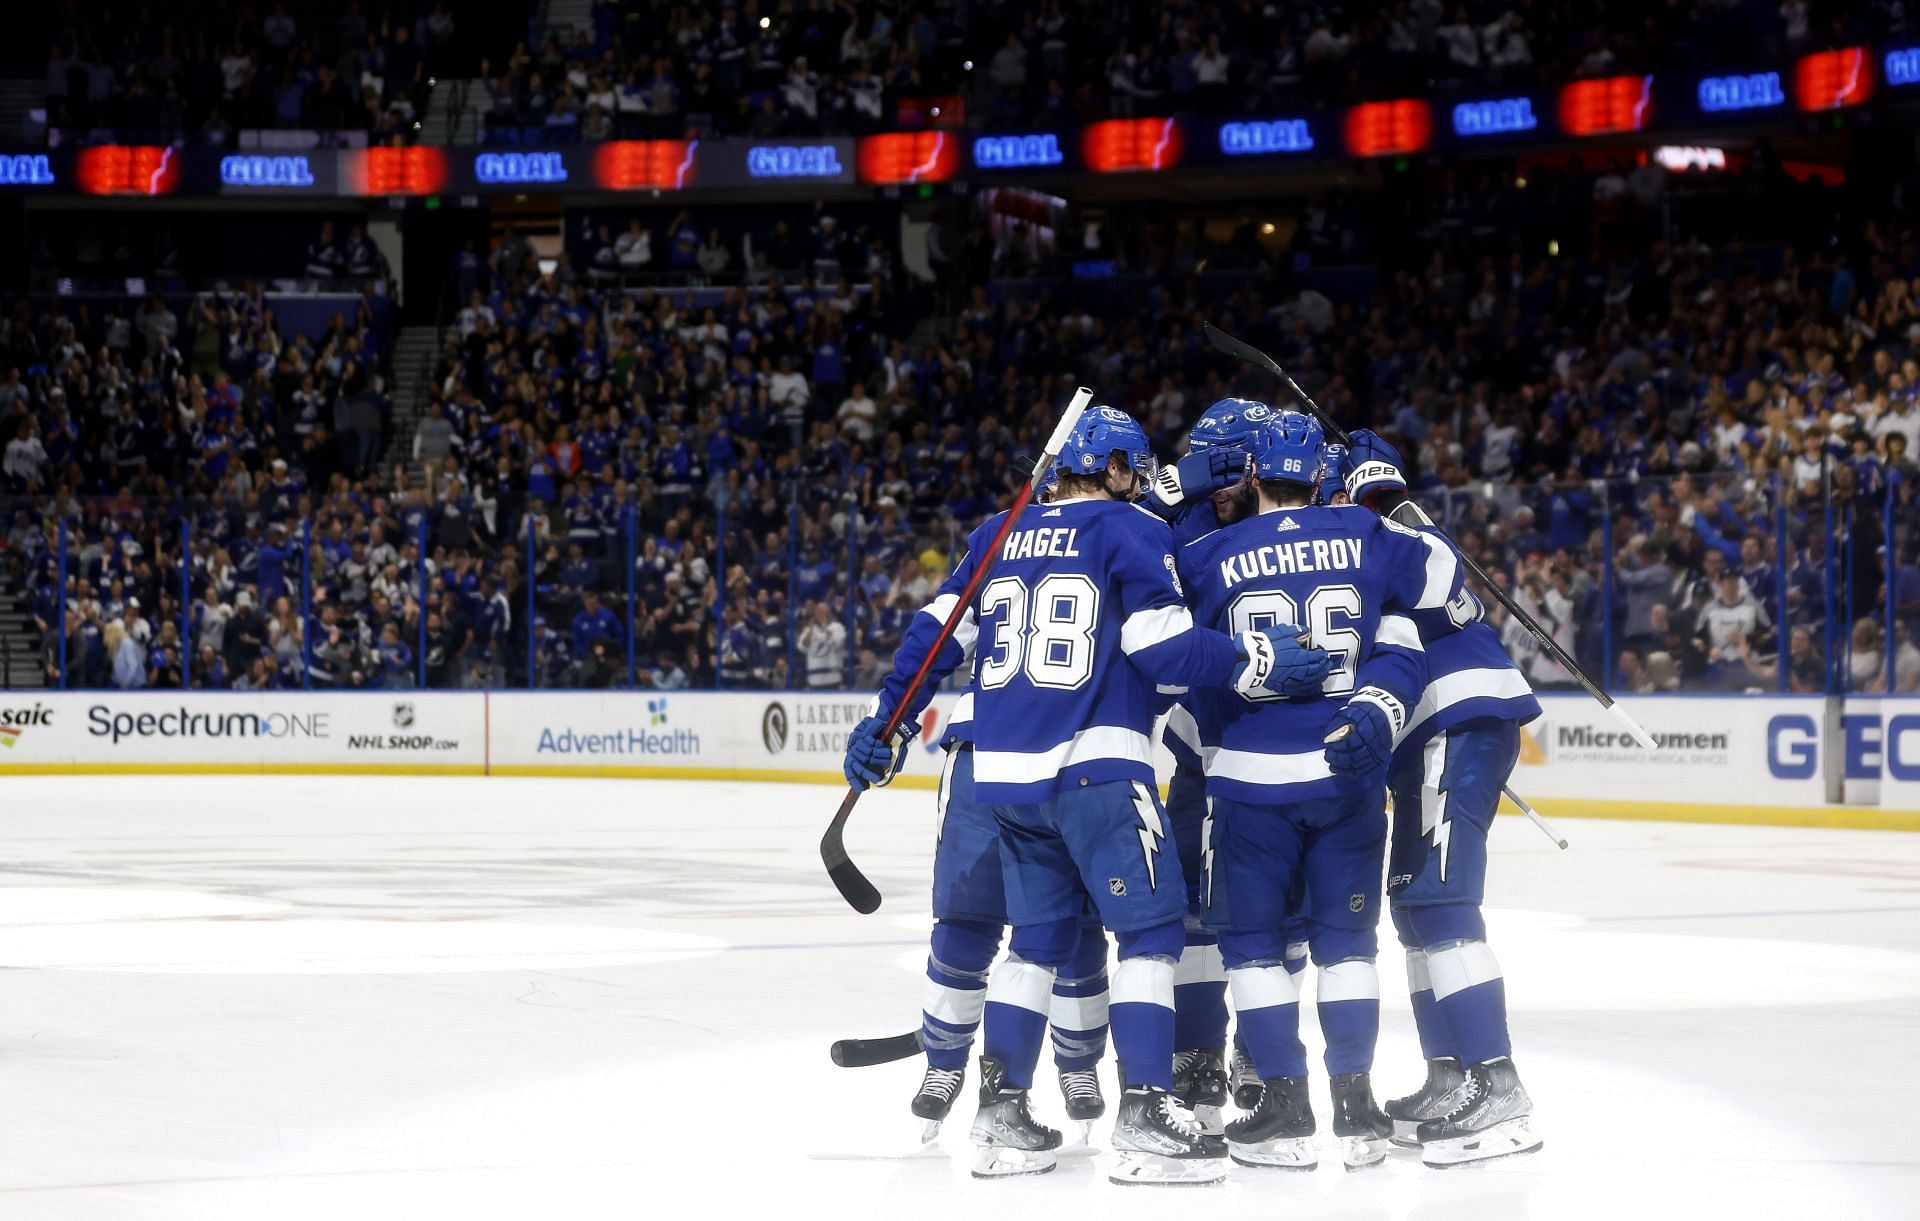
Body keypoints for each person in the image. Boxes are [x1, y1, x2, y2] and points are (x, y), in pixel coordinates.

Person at [849, 405, 1320, 1184]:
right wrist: (1256, 655)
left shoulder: (996, 533)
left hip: (1004, 781)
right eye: (1130, 471)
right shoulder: (1128, 529)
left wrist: (887, 721)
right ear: (1112, 468)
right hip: (1097, 770)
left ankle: (999, 1114)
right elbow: (1159, 645)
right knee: (1151, 937)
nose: (1136, 484)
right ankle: (1144, 1110)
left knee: (1031, 944)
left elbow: (935, 636)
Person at [1177, 410, 1465, 1172]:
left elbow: (1165, 645)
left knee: (1251, 949)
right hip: (1348, 777)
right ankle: (1356, 1105)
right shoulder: (1365, 535)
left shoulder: (1207, 552)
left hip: (1246, 783)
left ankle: (1284, 1102)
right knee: (1346, 946)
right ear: (1319, 476)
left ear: (1250, 478)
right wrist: (1391, 496)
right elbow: (1444, 573)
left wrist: (1180, 492)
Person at [1339, 428, 1547, 1167]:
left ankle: (1498, 1083)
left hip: (1453, 727)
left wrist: (1367, 486)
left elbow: (1413, 538)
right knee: (1417, 907)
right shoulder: (1393, 533)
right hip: (1435, 735)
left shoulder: (1396, 527)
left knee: (1444, 904)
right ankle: (1451, 1074)